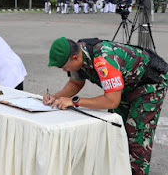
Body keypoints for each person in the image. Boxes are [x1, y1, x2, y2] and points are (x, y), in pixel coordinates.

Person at [44, 37, 168, 175]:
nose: (64, 70)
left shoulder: (103, 60)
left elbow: (111, 101)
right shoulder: (78, 55)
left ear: (74, 58)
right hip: (127, 85)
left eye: (64, 67)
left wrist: (75, 101)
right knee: (116, 129)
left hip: (149, 85)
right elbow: (75, 83)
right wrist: (56, 96)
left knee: (137, 138)